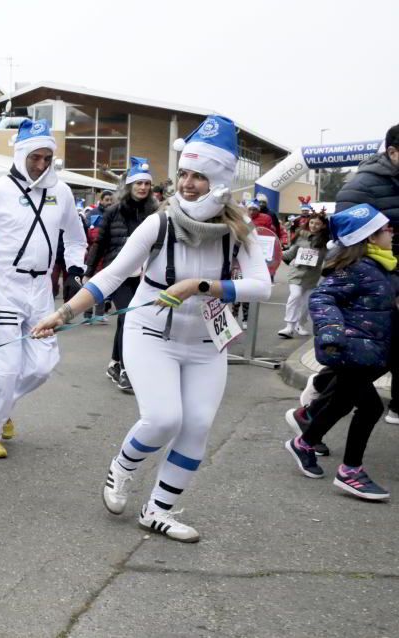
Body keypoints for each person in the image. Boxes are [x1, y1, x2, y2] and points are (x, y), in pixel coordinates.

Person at [33, 115, 272, 541]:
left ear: (219, 182)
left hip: (205, 342)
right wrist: (63, 313)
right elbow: (110, 276)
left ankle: (158, 510)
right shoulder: (159, 222)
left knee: (197, 426)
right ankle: (122, 468)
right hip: (149, 333)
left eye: (200, 176)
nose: (188, 184)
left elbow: (262, 287)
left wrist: (201, 286)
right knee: (163, 418)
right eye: (184, 174)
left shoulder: (239, 230)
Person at [0, 118, 88, 459]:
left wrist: (75, 271)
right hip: (3, 284)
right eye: (34, 157)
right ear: (21, 154)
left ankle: (3, 405)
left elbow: (75, 237)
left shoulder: (62, 192)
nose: (40, 165)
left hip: (41, 286)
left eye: (46, 158)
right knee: (7, 365)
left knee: (43, 364)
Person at [283, 204, 393, 501]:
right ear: (370, 237)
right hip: (352, 350)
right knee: (369, 408)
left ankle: (304, 443)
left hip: (369, 351)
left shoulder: (382, 264)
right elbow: (321, 297)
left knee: (341, 403)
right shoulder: (356, 268)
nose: (391, 231)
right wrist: (333, 332)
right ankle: (350, 472)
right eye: (385, 228)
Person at [334, 124, 399, 423]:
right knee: (365, 358)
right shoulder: (362, 185)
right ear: (392, 152)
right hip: (376, 284)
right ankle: (311, 418)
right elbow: (347, 240)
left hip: (391, 279)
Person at [85, 157, 157, 392]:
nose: (143, 188)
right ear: (129, 186)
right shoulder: (113, 211)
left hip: (146, 275)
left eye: (147, 183)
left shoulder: (156, 213)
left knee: (130, 319)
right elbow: (100, 242)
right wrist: (88, 273)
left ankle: (115, 363)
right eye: (139, 183)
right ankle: (126, 368)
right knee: (128, 317)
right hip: (118, 273)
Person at [277, 211, 328, 338]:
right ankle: (289, 326)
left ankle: (300, 324)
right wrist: (275, 253)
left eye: (317, 224)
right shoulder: (300, 236)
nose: (313, 226)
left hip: (312, 277)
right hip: (297, 273)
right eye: (311, 222)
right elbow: (290, 253)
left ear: (323, 226)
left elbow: (329, 258)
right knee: (295, 295)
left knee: (306, 303)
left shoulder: (326, 242)